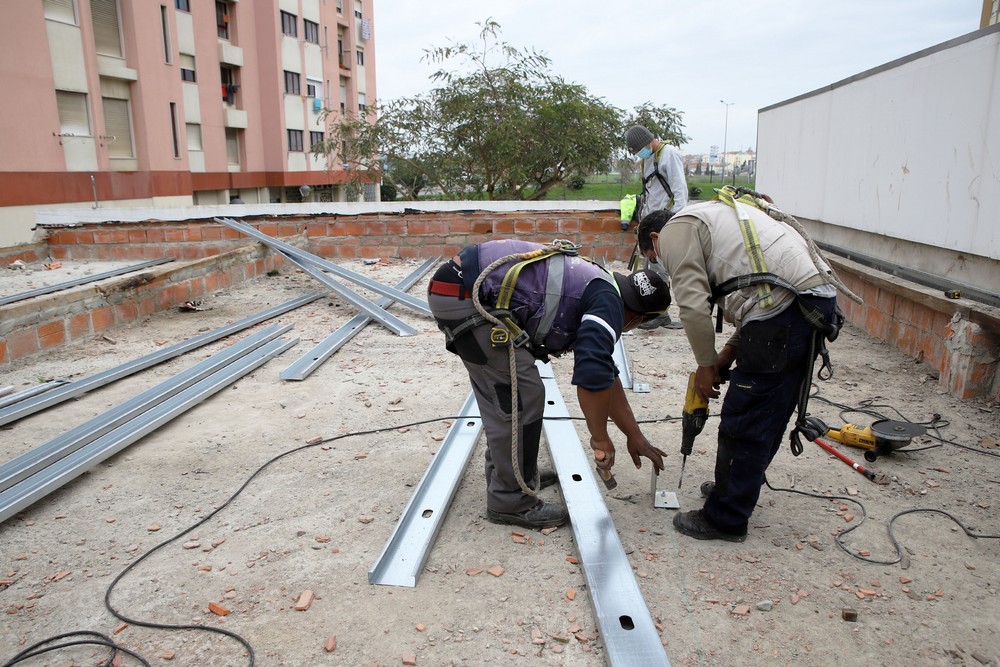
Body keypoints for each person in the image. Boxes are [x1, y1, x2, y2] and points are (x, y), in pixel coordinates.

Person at [636, 189, 842, 542]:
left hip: (785, 308)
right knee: (769, 408)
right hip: (809, 303)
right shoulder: (717, 220)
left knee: (744, 414)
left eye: (654, 257)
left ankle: (726, 517)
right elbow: (755, 312)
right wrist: (723, 358)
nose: (661, 263)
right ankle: (736, 488)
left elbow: (693, 306)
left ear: (655, 238)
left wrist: (704, 367)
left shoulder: (674, 231)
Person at [427, 239, 670, 529]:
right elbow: (592, 373)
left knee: (512, 394)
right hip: (464, 295)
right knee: (521, 395)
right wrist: (600, 438)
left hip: (460, 287)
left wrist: (634, 435)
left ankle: (517, 473)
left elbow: (606, 375)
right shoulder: (609, 306)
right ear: (640, 318)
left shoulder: (603, 287)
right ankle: (510, 498)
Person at [624, 124, 689, 330]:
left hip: (666, 220)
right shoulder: (648, 158)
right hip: (651, 219)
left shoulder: (669, 154)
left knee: (657, 265)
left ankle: (661, 312)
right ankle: (651, 309)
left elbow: (680, 189)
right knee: (649, 266)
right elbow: (651, 193)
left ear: (648, 141)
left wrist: (676, 221)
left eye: (638, 149)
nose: (638, 154)